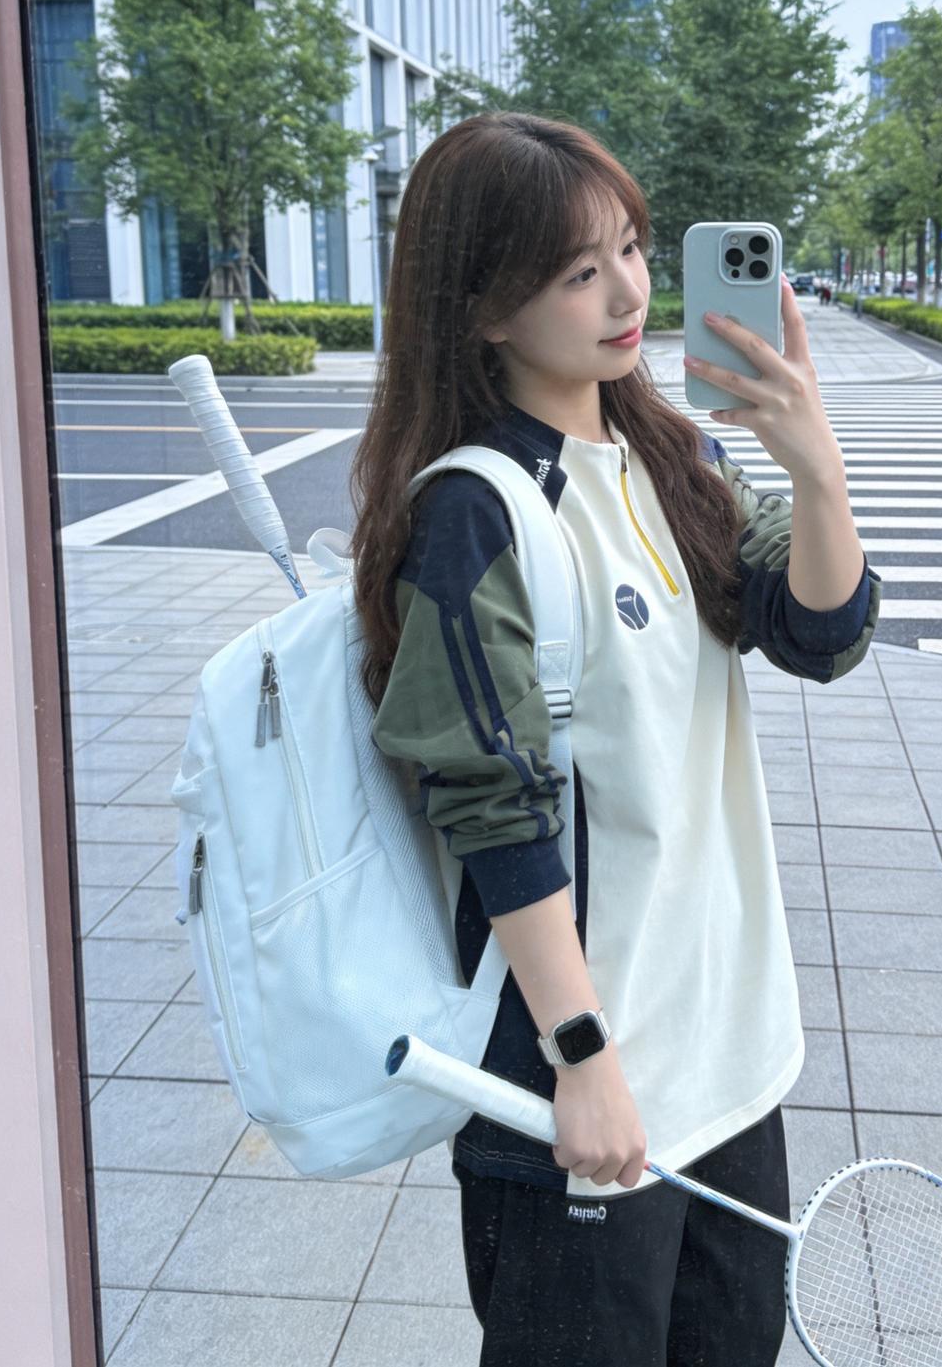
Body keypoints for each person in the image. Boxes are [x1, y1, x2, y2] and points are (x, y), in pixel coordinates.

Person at [350, 111, 881, 1367]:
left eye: (632, 249)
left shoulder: (671, 454)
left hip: (729, 1058)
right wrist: (579, 1058)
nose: (629, 293)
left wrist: (815, 468)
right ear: (482, 308)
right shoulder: (477, 510)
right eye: (579, 271)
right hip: (588, 1079)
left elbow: (818, 634)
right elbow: (491, 806)